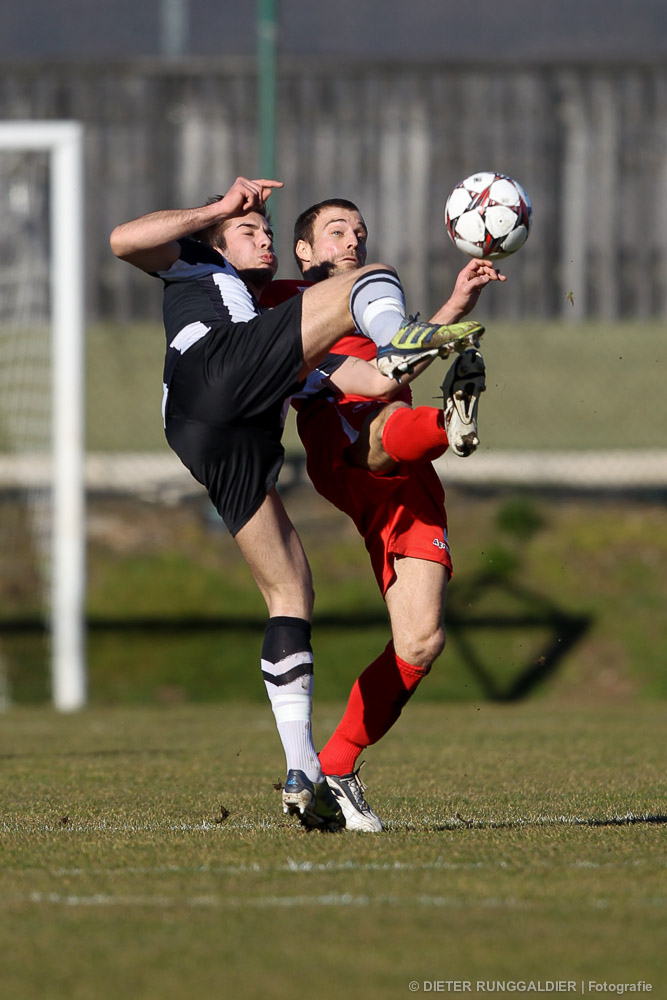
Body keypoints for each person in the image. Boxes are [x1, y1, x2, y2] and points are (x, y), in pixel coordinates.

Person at [109, 176, 484, 832]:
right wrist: (218, 210)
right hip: (222, 378)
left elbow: (373, 377)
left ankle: (305, 769)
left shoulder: (268, 325)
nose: (264, 240)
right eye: (251, 232)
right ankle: (437, 427)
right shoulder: (197, 263)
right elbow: (122, 239)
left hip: (220, 435)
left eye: (266, 232)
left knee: (295, 594)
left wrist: (444, 321)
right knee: (375, 289)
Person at [261, 197, 504, 831]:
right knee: (382, 421)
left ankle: (336, 768)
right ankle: (443, 423)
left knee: (421, 642)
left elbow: (403, 357)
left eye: (360, 231)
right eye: (336, 231)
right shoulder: (286, 298)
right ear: (305, 252)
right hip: (342, 440)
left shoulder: (377, 301)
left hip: (407, 475)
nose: (353, 240)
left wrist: (455, 307)